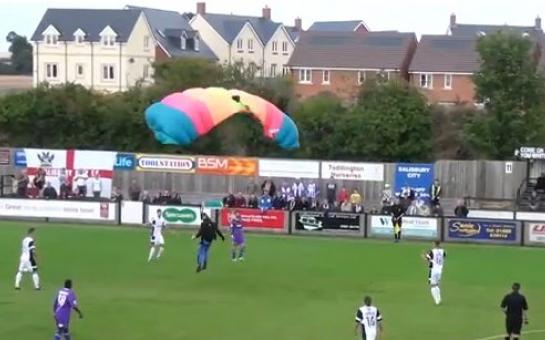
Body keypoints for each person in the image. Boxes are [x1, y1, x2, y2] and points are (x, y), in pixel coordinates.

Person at [424, 240, 447, 305]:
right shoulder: (443, 251)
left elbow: (427, 259)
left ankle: (437, 301)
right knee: (436, 285)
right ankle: (439, 299)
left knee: (432, 286)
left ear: (434, 244)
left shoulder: (432, 251)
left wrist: (423, 256)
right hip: (440, 270)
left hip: (433, 270)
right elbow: (443, 257)